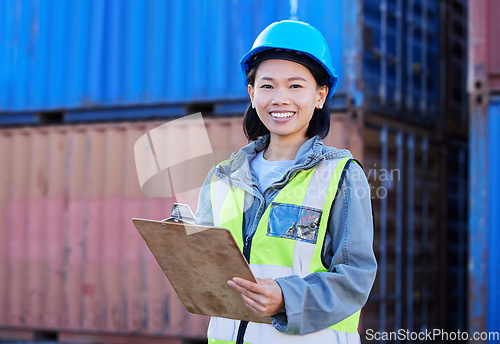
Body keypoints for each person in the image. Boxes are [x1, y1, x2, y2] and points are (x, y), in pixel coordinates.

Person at [195, 20, 377, 344]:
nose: (280, 98)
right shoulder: (222, 177)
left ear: (320, 95)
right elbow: (202, 272)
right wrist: (178, 243)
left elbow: (356, 279)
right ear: (251, 94)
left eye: (295, 86)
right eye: (267, 86)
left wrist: (285, 298)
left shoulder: (342, 176)